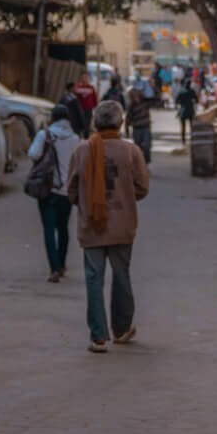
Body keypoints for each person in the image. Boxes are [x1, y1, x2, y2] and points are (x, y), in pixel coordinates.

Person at [66, 98, 149, 353]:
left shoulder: (82, 150)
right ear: (121, 123)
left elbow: (70, 191)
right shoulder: (131, 151)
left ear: (94, 123)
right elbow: (142, 188)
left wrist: (90, 199)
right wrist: (122, 195)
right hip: (122, 223)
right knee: (121, 275)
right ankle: (122, 329)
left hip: (92, 224)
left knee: (94, 278)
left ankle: (98, 336)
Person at [27, 104, 80, 281]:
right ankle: (63, 264)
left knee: (49, 229)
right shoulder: (74, 139)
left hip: (47, 189)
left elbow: (33, 154)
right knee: (63, 228)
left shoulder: (45, 135)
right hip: (66, 191)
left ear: (53, 118)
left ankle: (54, 268)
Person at [125, 75, 153, 163]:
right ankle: (139, 164)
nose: (136, 96)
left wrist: (151, 85)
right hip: (136, 128)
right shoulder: (131, 107)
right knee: (137, 148)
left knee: (147, 146)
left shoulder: (146, 102)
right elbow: (127, 119)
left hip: (146, 127)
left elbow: (156, 98)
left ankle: (146, 162)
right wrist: (127, 131)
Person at [175, 72, 197, 146]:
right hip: (190, 110)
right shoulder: (192, 91)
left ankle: (183, 141)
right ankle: (192, 138)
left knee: (183, 127)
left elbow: (176, 101)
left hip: (182, 110)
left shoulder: (181, 91)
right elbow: (196, 100)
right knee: (191, 126)